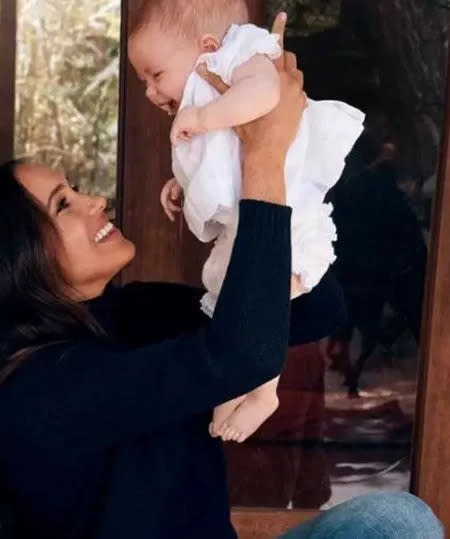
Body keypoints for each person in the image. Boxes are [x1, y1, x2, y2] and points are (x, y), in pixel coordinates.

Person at [0, 24, 443, 539]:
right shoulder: (39, 392)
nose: (94, 201)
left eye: (76, 188)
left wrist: (256, 173)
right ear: (16, 262)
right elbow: (244, 355)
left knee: (394, 522)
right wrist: (262, 155)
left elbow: (314, 311)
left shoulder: (132, 312)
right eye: (64, 204)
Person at [127, 0, 364, 442]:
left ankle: (263, 391)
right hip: (253, 216)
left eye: (155, 75)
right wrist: (182, 182)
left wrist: (201, 117)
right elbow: (224, 160)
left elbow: (265, 95)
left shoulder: (244, 55)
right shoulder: (211, 90)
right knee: (233, 297)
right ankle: (237, 384)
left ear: (208, 46)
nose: (150, 93)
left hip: (288, 215)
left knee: (264, 299)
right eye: (143, 81)